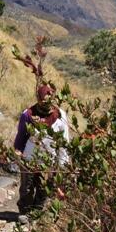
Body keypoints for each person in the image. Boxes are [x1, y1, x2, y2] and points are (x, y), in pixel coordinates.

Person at [13, 84, 70, 215]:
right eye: (43, 101)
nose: (45, 104)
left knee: (44, 189)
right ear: (38, 99)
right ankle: (24, 213)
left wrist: (61, 165)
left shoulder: (60, 116)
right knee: (27, 188)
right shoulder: (28, 114)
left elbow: (64, 142)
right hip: (29, 157)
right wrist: (18, 151)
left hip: (49, 160)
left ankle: (37, 214)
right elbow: (21, 136)